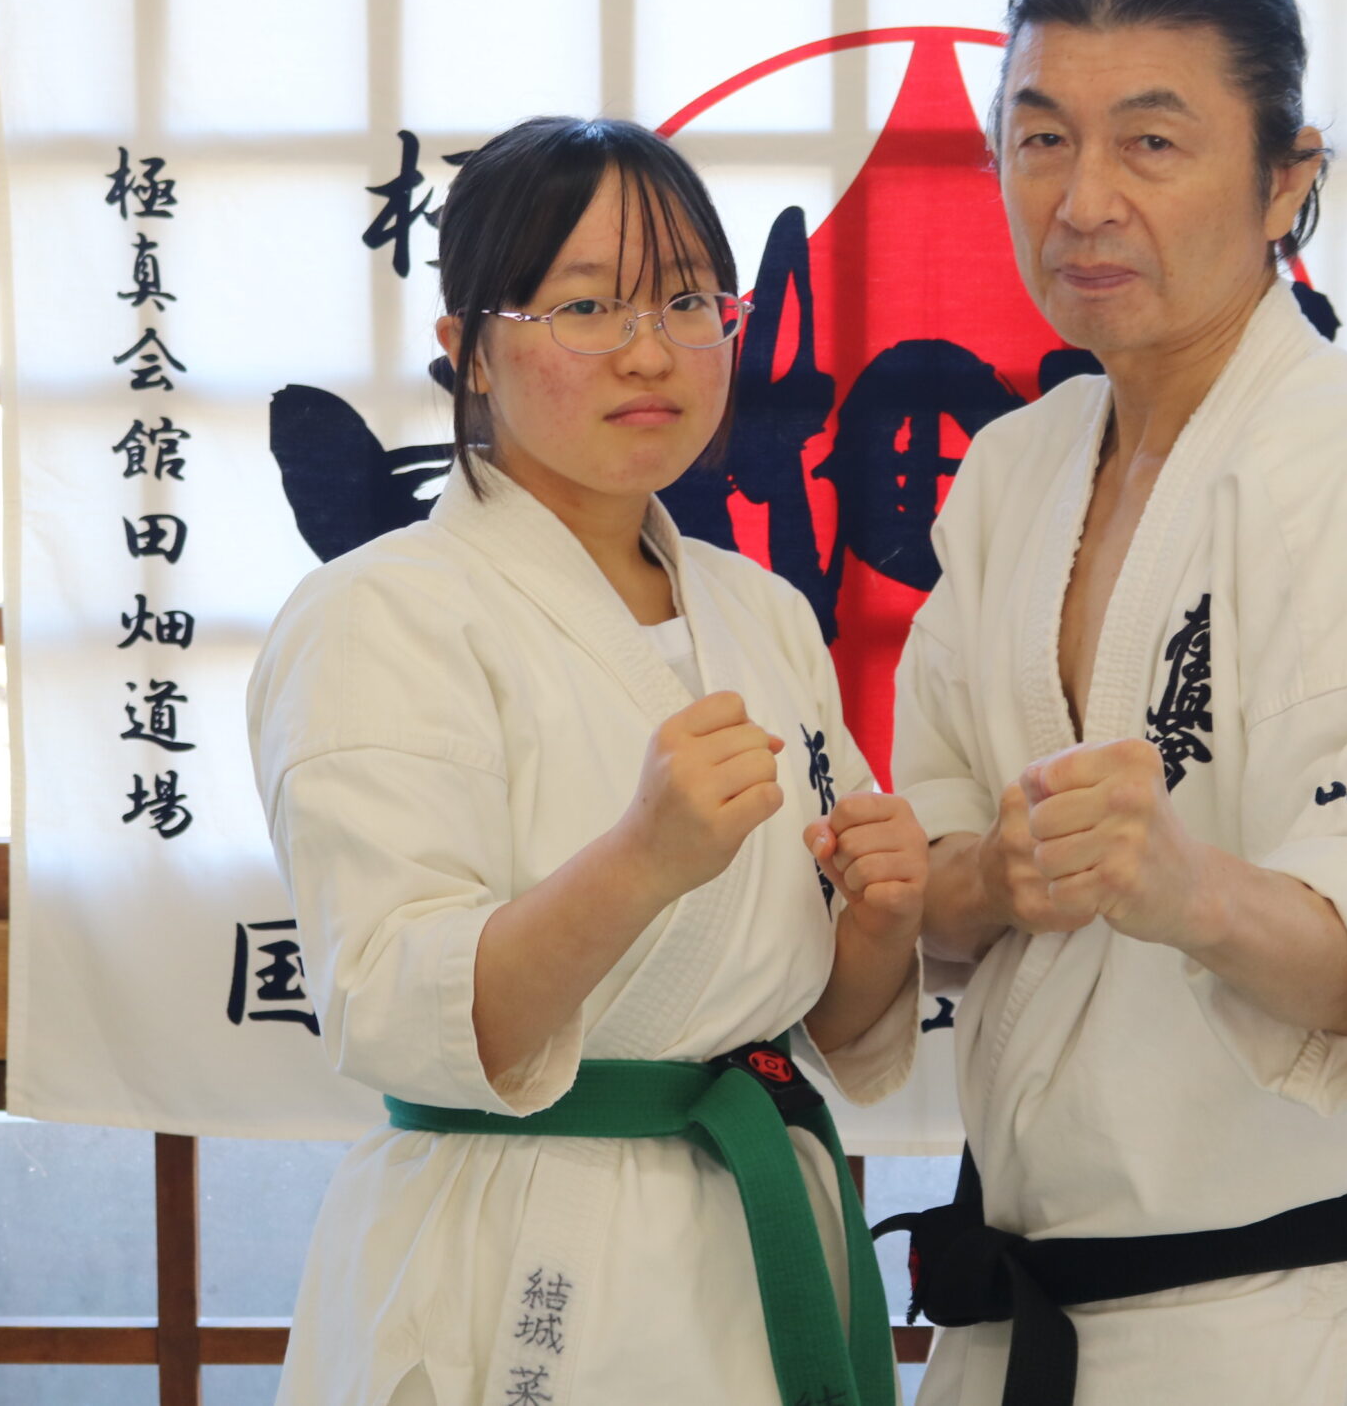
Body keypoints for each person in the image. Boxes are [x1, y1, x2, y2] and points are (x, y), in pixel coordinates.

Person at [882, 0, 1347, 1406]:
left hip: (1265, 1330)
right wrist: (989, 877)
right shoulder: (1014, 472)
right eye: (1041, 139)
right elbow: (931, 878)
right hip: (1012, 1319)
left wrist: (1181, 889)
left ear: (1285, 180)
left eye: (1152, 143)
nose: (1083, 201)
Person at [247, 116, 928, 1406]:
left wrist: (884, 921)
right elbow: (392, 1002)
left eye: (688, 301)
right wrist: (641, 860)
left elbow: (816, 1019)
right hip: (518, 1237)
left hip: (755, 1236)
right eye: (585, 306)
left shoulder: (762, 614)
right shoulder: (375, 614)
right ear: (470, 351)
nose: (649, 349)